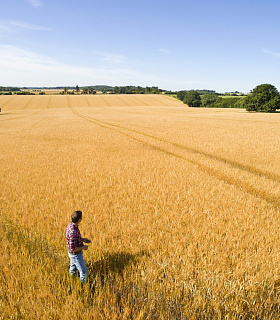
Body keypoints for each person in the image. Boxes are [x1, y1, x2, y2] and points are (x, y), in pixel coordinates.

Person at [66, 210, 91, 283]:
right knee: (84, 273)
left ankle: (71, 279)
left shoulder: (70, 225)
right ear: (79, 219)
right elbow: (72, 248)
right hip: (76, 255)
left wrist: (83, 239)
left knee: (73, 268)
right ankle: (82, 287)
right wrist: (84, 247)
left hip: (72, 254)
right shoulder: (73, 231)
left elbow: (74, 239)